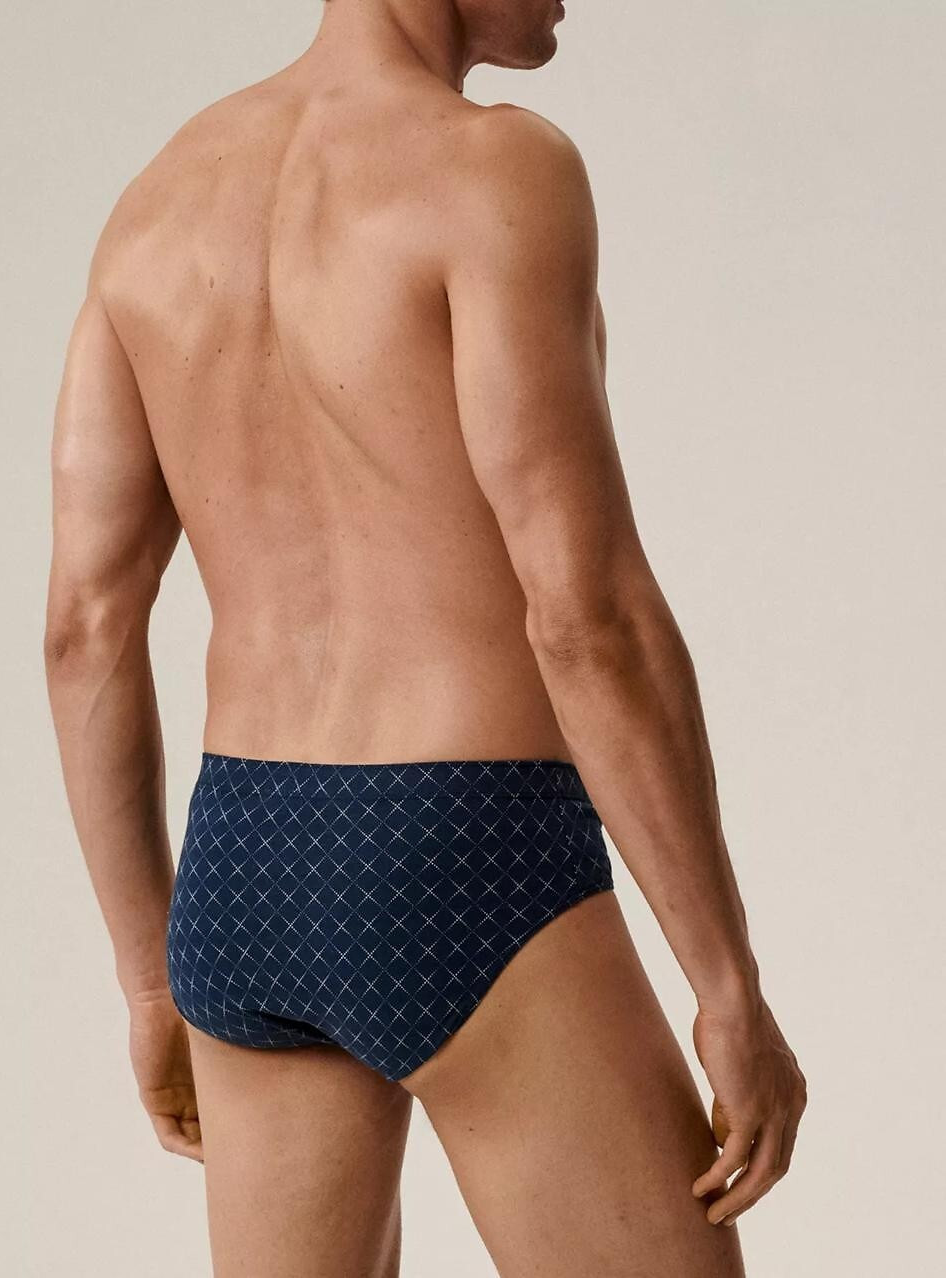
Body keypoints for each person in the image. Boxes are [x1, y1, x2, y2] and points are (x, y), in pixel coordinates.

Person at [43, 1, 806, 1273]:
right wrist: (727, 988)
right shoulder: (496, 169)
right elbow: (588, 616)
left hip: (243, 872)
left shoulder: (157, 202)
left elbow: (84, 625)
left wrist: (150, 976)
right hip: (466, 849)